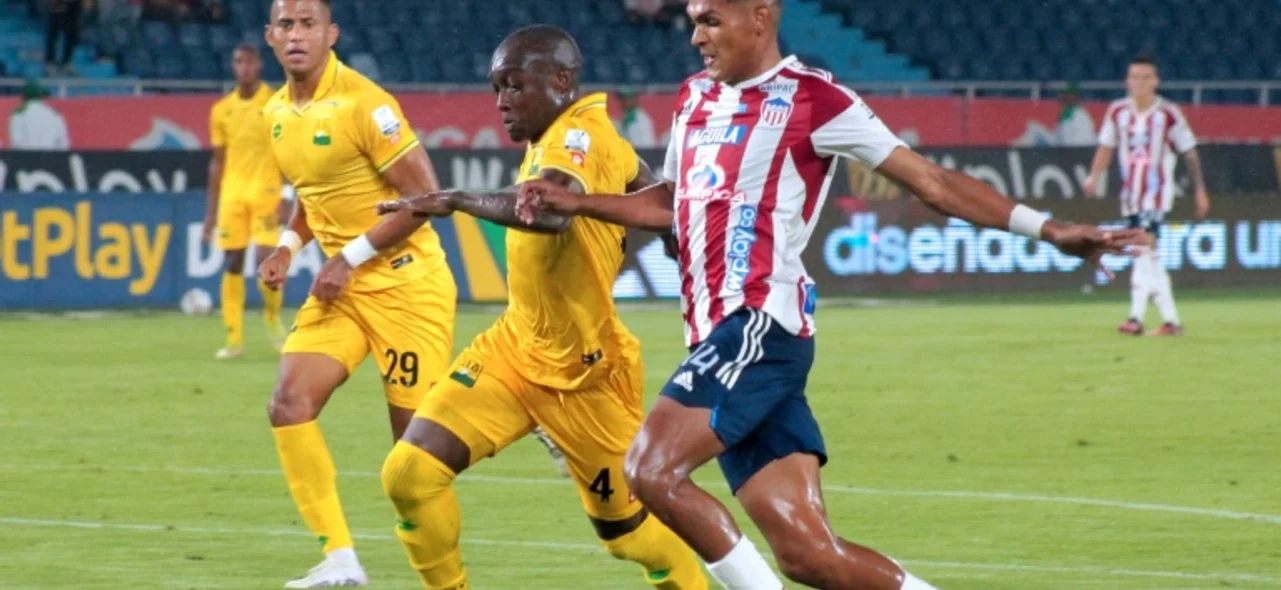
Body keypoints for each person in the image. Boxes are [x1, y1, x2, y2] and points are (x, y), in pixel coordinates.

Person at [517, 1, 1146, 589]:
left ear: (759, 17)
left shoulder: (814, 99)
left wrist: (1050, 228)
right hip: (721, 339)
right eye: (691, 20)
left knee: (649, 469)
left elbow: (929, 181)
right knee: (807, 554)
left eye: (710, 19)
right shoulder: (694, 99)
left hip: (759, 325)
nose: (696, 35)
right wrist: (581, 203)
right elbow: (670, 201)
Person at [375, 25, 707, 590]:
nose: (502, 100)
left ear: (560, 80)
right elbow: (641, 179)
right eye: (496, 88)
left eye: (514, 85)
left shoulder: (573, 137)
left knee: (630, 538)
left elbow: (551, 211)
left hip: (587, 375)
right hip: (514, 349)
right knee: (409, 474)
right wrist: (669, 226)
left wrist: (455, 199)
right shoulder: (582, 134)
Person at [255, 0, 458, 586]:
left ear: (330, 34)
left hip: (406, 284)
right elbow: (312, 197)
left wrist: (348, 258)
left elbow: (425, 198)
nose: (297, 35)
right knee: (288, 404)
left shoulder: (366, 103)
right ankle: (340, 560)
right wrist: (287, 249)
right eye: (286, 25)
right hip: (341, 288)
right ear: (271, 37)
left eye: (308, 24)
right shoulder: (275, 113)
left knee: (414, 463)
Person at [1085, 54, 1210, 337]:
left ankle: (1135, 318)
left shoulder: (1168, 114)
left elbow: (1189, 153)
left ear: (1155, 81)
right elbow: (1106, 146)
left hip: (1156, 196)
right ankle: (1171, 322)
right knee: (1149, 256)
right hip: (1130, 196)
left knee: (1141, 250)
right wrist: (1094, 175)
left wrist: (1200, 190)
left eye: (1145, 77)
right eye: (1134, 77)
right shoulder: (1117, 111)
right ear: (1127, 80)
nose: (1139, 83)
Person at [203, 43, 289, 360]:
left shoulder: (275, 102)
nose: (244, 68)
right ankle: (234, 339)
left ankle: (272, 317)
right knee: (233, 263)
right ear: (233, 66)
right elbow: (217, 163)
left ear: (260, 66)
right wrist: (210, 215)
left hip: (266, 192)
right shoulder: (221, 110)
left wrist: (288, 195)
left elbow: (289, 151)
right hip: (232, 195)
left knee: (265, 264)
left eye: (250, 62)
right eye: (239, 62)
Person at [7, 79, 69, 150]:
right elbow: (63, 144)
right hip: (52, 157)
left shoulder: (19, 114)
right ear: (42, 96)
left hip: (27, 158)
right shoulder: (54, 114)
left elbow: (16, 142)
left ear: (24, 96)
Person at [45, 0, 84, 76]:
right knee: (54, 32)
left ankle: (67, 63)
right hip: (58, 4)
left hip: (74, 4)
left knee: (72, 33)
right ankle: (50, 64)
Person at [1054, 82, 1096, 147]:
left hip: (1078, 153)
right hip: (1066, 153)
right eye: (1063, 94)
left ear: (1075, 97)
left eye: (1066, 95)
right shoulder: (1065, 113)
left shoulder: (1080, 115)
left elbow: (1082, 143)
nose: (1062, 97)